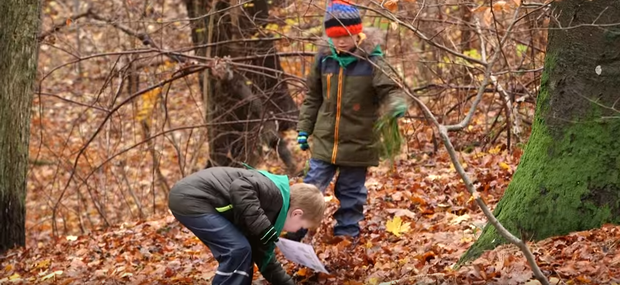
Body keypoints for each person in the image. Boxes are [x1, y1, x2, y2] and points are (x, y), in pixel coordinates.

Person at [287, 0, 408, 241]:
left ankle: (346, 235)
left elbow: (391, 90)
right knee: (310, 188)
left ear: (358, 32)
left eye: (346, 35)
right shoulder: (324, 60)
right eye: (335, 36)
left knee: (351, 193)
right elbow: (312, 97)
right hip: (325, 140)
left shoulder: (373, 60)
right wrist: (304, 129)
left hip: (359, 141)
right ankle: (294, 233)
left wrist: (396, 106)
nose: (341, 41)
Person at [168, 166, 326, 285]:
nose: (299, 231)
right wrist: (263, 227)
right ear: (297, 214)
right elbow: (241, 187)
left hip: (196, 201)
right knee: (238, 249)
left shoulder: (271, 216)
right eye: (302, 227)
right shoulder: (273, 193)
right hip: (192, 198)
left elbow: (265, 258)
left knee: (245, 251)